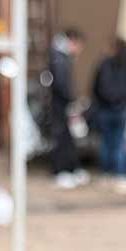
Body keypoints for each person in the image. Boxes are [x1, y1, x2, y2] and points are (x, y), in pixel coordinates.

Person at [91, 38, 126, 193]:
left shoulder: (103, 64)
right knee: (119, 143)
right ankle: (120, 175)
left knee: (106, 143)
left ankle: (107, 173)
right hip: (121, 109)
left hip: (105, 110)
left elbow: (96, 87)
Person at [47, 27, 86, 189]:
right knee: (62, 138)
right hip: (60, 106)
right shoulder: (59, 57)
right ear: (73, 41)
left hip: (63, 105)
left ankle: (70, 169)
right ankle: (61, 170)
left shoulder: (60, 56)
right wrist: (72, 100)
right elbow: (62, 84)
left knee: (67, 138)